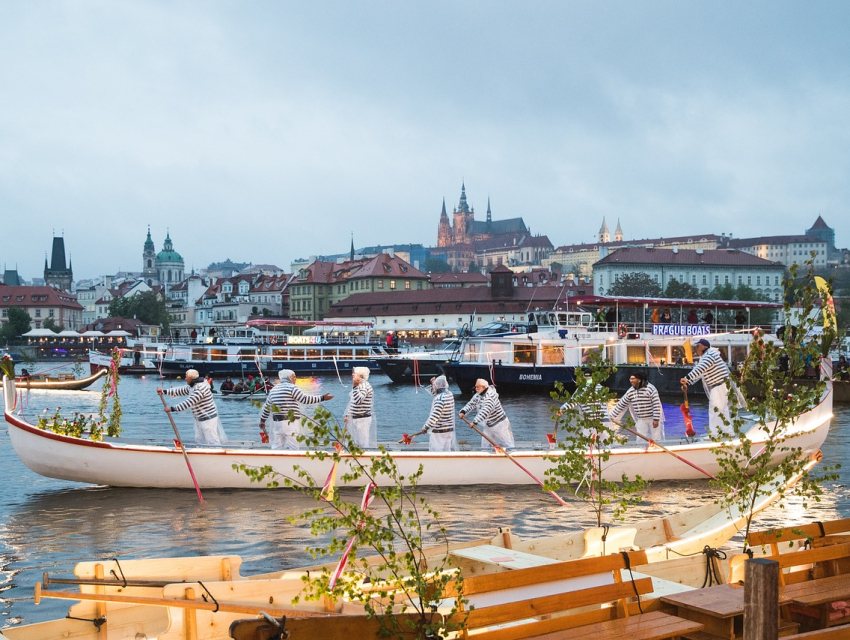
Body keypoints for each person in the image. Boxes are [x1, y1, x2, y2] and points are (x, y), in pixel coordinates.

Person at [259, 369, 333, 450]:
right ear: (289, 377)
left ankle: (274, 461)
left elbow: (267, 408)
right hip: (290, 423)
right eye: (294, 377)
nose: (295, 379)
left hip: (277, 423)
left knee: (277, 446)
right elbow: (305, 399)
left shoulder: (273, 390)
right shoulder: (292, 388)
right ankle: (294, 462)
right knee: (293, 446)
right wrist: (322, 398)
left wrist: (262, 421)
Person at [681, 338, 737, 437]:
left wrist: (687, 378)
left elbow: (701, 368)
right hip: (722, 386)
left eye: (698, 346)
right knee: (723, 410)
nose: (696, 349)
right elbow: (700, 373)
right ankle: (728, 431)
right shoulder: (709, 355)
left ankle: (715, 434)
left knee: (714, 409)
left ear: (704, 347)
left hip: (719, 386)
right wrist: (688, 383)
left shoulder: (710, 355)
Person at [158, 369, 228, 445]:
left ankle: (215, 455)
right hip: (199, 419)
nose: (185, 379)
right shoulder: (193, 386)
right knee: (199, 439)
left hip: (208, 420)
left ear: (191, 378)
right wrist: (164, 391)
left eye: (186, 377)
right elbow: (181, 390)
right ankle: (201, 453)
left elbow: (189, 402)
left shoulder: (201, 388)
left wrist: (172, 408)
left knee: (211, 440)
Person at [459, 379, 515, 451]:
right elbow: (471, 403)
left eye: (478, 387)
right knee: (485, 445)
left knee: (507, 443)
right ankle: (485, 456)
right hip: (488, 424)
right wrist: (463, 411)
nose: (476, 389)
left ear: (484, 387)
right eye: (475, 387)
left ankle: (513, 453)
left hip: (499, 424)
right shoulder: (478, 395)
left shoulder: (490, 397)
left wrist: (475, 422)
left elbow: (485, 411)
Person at [610, 371, 664, 440]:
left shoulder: (650, 389)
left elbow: (656, 404)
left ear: (639, 380)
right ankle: (642, 448)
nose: (631, 381)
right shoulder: (631, 391)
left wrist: (656, 419)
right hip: (641, 419)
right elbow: (621, 404)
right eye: (630, 379)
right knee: (640, 438)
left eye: (633, 379)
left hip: (652, 418)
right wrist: (612, 416)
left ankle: (657, 449)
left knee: (656, 437)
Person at [409, 375, 458, 451]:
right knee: (446, 452)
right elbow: (436, 392)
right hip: (448, 430)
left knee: (435, 453)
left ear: (438, 386)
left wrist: (426, 427)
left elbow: (435, 416)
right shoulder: (449, 394)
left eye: (433, 386)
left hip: (439, 431)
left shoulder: (439, 399)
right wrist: (433, 382)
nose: (432, 388)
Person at [343, 366, 377, 448]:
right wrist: (348, 415)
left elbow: (358, 400)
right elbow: (352, 402)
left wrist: (354, 387)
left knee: (362, 443)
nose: (352, 374)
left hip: (362, 419)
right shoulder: (360, 385)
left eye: (355, 373)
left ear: (361, 376)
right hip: (356, 418)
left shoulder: (364, 386)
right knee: (354, 442)